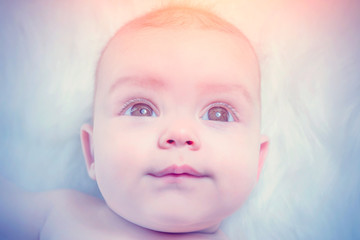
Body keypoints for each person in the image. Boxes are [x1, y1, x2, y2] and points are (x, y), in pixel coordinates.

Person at [0, 5, 269, 240]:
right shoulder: (60, 212)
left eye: (218, 113)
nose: (179, 133)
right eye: (141, 110)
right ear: (92, 151)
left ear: (257, 161)